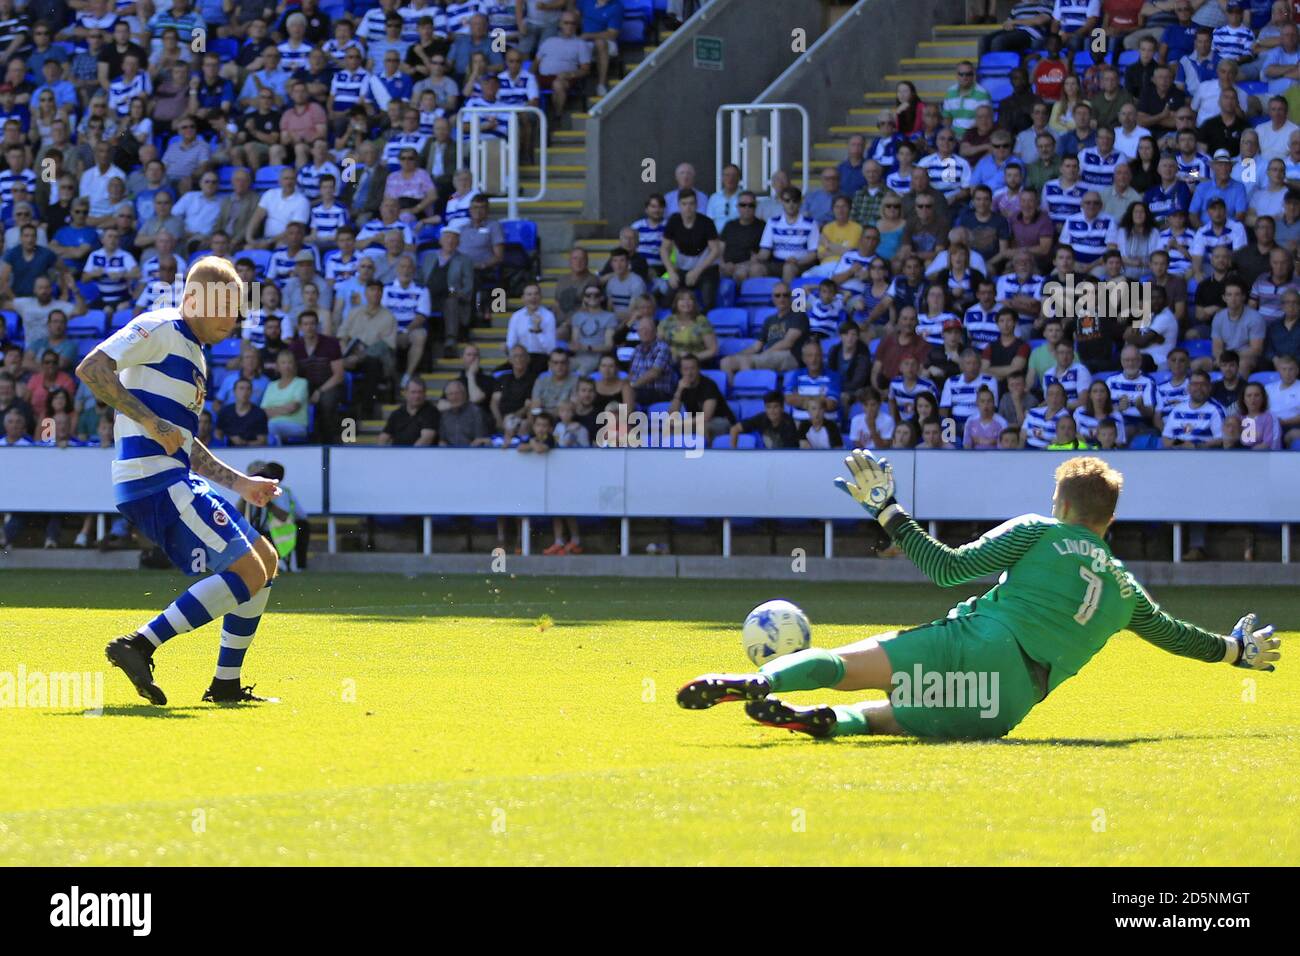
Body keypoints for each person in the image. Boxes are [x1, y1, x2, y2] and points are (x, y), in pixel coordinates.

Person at [678, 453, 1281, 740]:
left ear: (1063, 507)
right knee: (890, 719)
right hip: (1011, 701)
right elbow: (1178, 637)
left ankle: (760, 683)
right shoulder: (1126, 589)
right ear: (1109, 520)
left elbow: (945, 569)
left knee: (845, 665)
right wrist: (1233, 651)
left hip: (978, 639)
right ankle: (824, 724)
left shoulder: (1038, 531)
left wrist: (888, 512)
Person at [75, 258, 282, 705]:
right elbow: (92, 369)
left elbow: (183, 441)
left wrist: (241, 483)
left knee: (265, 560)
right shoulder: (160, 326)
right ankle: (139, 645)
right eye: (225, 307)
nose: (235, 318)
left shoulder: (194, 355)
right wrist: (152, 423)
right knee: (247, 570)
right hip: (153, 480)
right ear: (192, 300)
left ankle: (225, 685)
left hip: (172, 477)